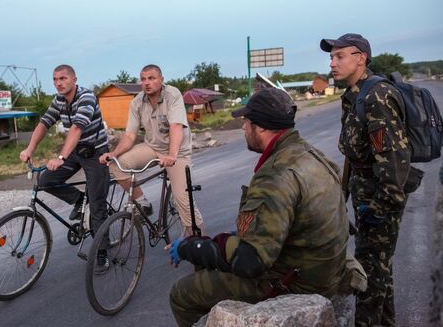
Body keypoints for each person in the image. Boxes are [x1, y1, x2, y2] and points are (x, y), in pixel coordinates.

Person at [168, 88, 349, 327]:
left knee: (182, 292)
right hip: (322, 267)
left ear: (261, 127)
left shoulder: (275, 175)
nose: (243, 127)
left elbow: (250, 261)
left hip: (297, 281)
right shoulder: (310, 154)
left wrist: (192, 247)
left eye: (246, 121)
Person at [320, 33, 411, 327]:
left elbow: (393, 160)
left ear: (361, 58)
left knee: (370, 276)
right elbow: (354, 153)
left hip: (380, 199)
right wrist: (343, 194)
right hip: (366, 193)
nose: (332, 63)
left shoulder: (376, 97)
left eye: (340, 56)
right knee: (379, 271)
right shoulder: (354, 95)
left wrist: (381, 208)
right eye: (331, 57)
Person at [20, 64, 110, 271]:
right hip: (75, 150)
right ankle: (79, 200)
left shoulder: (86, 97)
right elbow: (44, 123)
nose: (58, 83)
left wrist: (61, 156)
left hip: (96, 152)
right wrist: (30, 148)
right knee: (45, 181)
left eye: (63, 79)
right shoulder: (59, 100)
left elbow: (77, 128)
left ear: (74, 79)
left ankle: (102, 251)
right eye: (55, 79)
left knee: (97, 204)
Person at [99, 64, 204, 236]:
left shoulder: (172, 95)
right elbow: (130, 136)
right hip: (152, 147)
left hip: (177, 152)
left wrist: (172, 155)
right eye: (143, 79)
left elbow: (176, 126)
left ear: (161, 80)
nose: (147, 83)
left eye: (152, 78)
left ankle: (202, 246)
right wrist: (113, 154)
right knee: (117, 165)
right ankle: (142, 203)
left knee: (183, 202)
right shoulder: (137, 102)